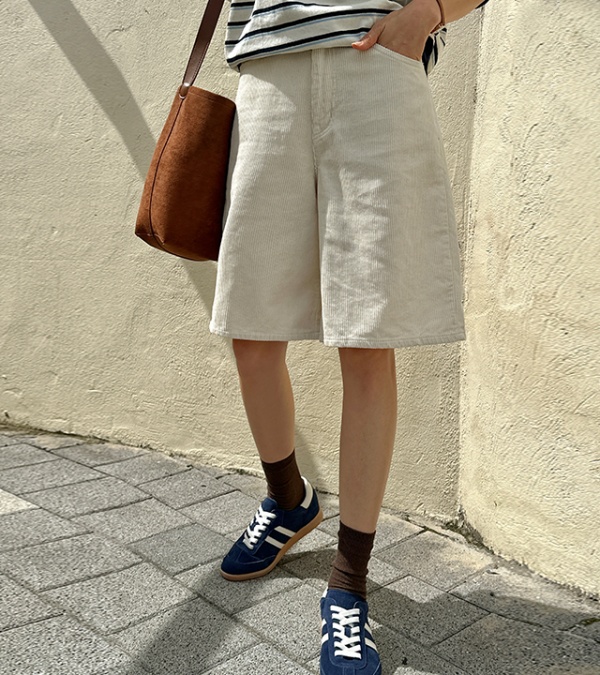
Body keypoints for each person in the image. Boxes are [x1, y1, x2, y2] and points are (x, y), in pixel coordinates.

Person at [209, 0, 490, 672]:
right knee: (251, 327)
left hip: (376, 69)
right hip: (269, 71)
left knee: (366, 337)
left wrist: (427, 13)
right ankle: (288, 499)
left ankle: (348, 583)